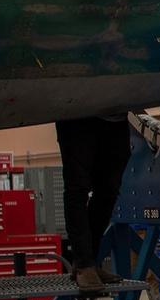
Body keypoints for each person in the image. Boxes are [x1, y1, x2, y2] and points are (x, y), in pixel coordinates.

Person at [55, 116, 131, 291]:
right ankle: (84, 264)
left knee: (109, 190)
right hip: (78, 114)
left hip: (114, 116)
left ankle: (89, 262)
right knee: (78, 188)